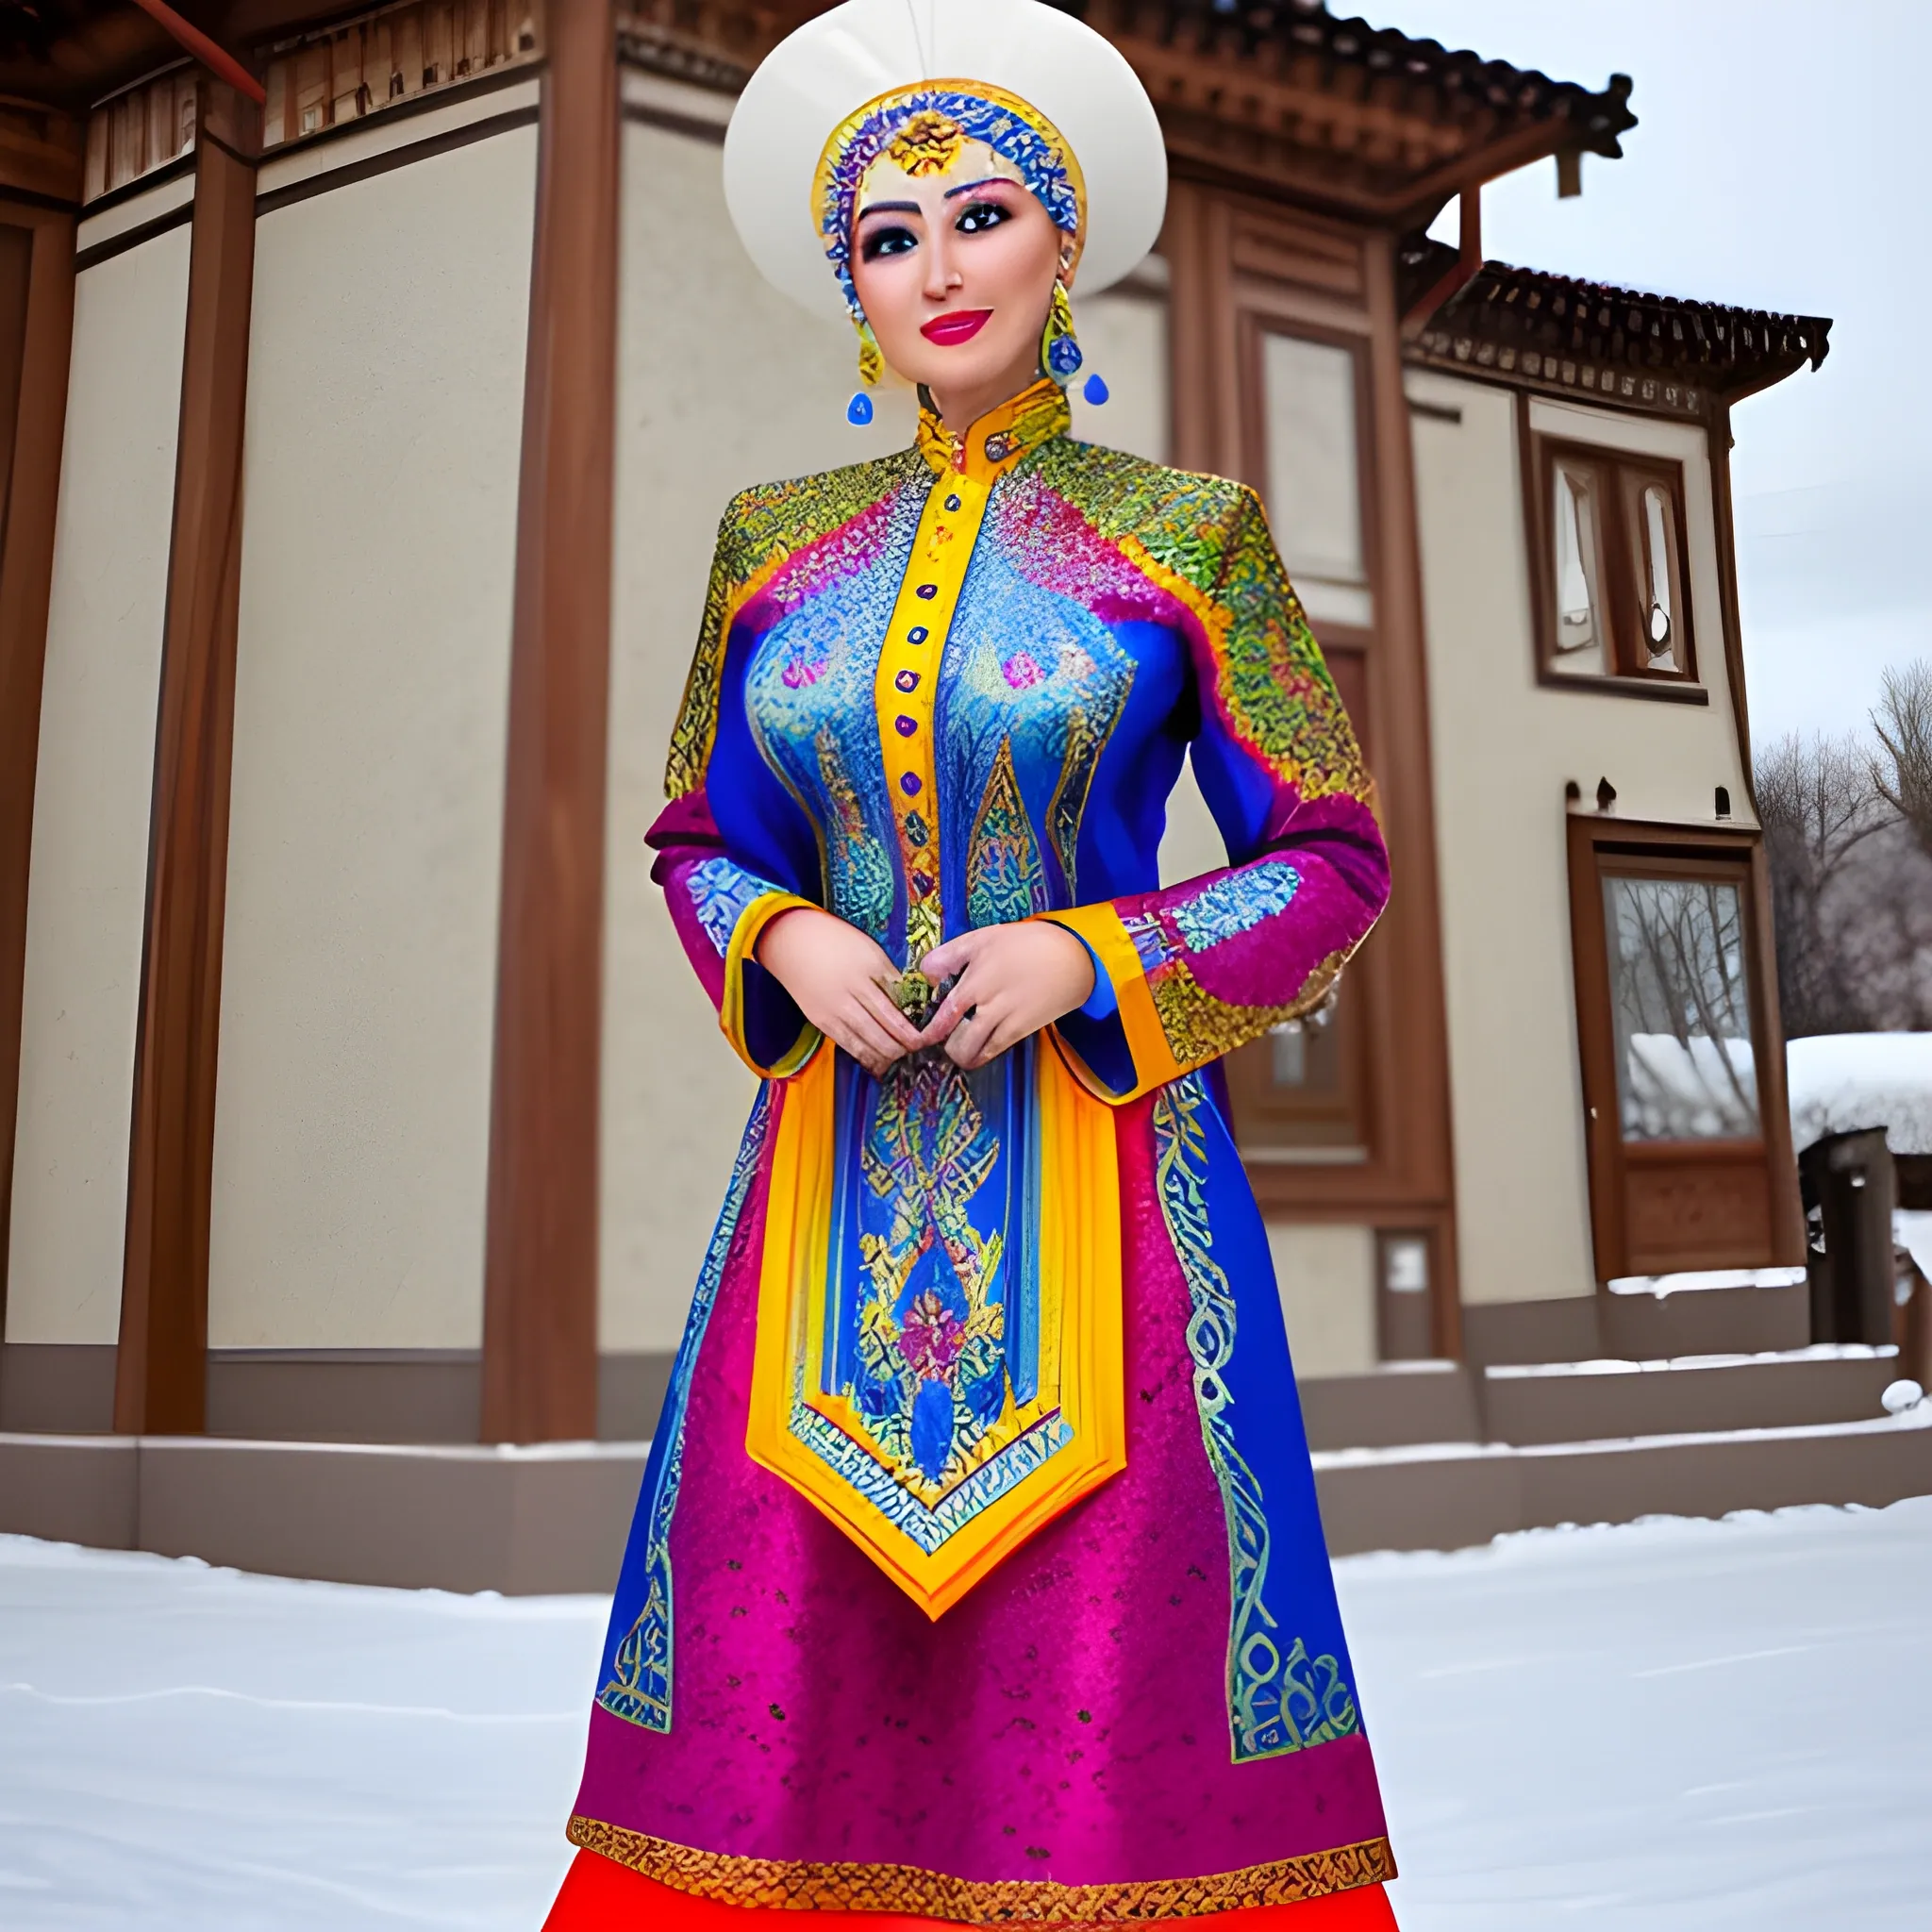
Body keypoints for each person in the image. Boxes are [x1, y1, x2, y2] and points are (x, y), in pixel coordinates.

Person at [544, 1, 1396, 1924]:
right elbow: (692, 838)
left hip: (1120, 1218)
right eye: (888, 232)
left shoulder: (1191, 541)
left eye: (981, 213)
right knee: (772, 1672)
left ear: (1062, 246)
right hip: (812, 1226)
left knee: (1126, 1680)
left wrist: (1095, 953)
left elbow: (1333, 857)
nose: (936, 265)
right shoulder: (768, 548)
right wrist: (780, 930)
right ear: (850, 278)